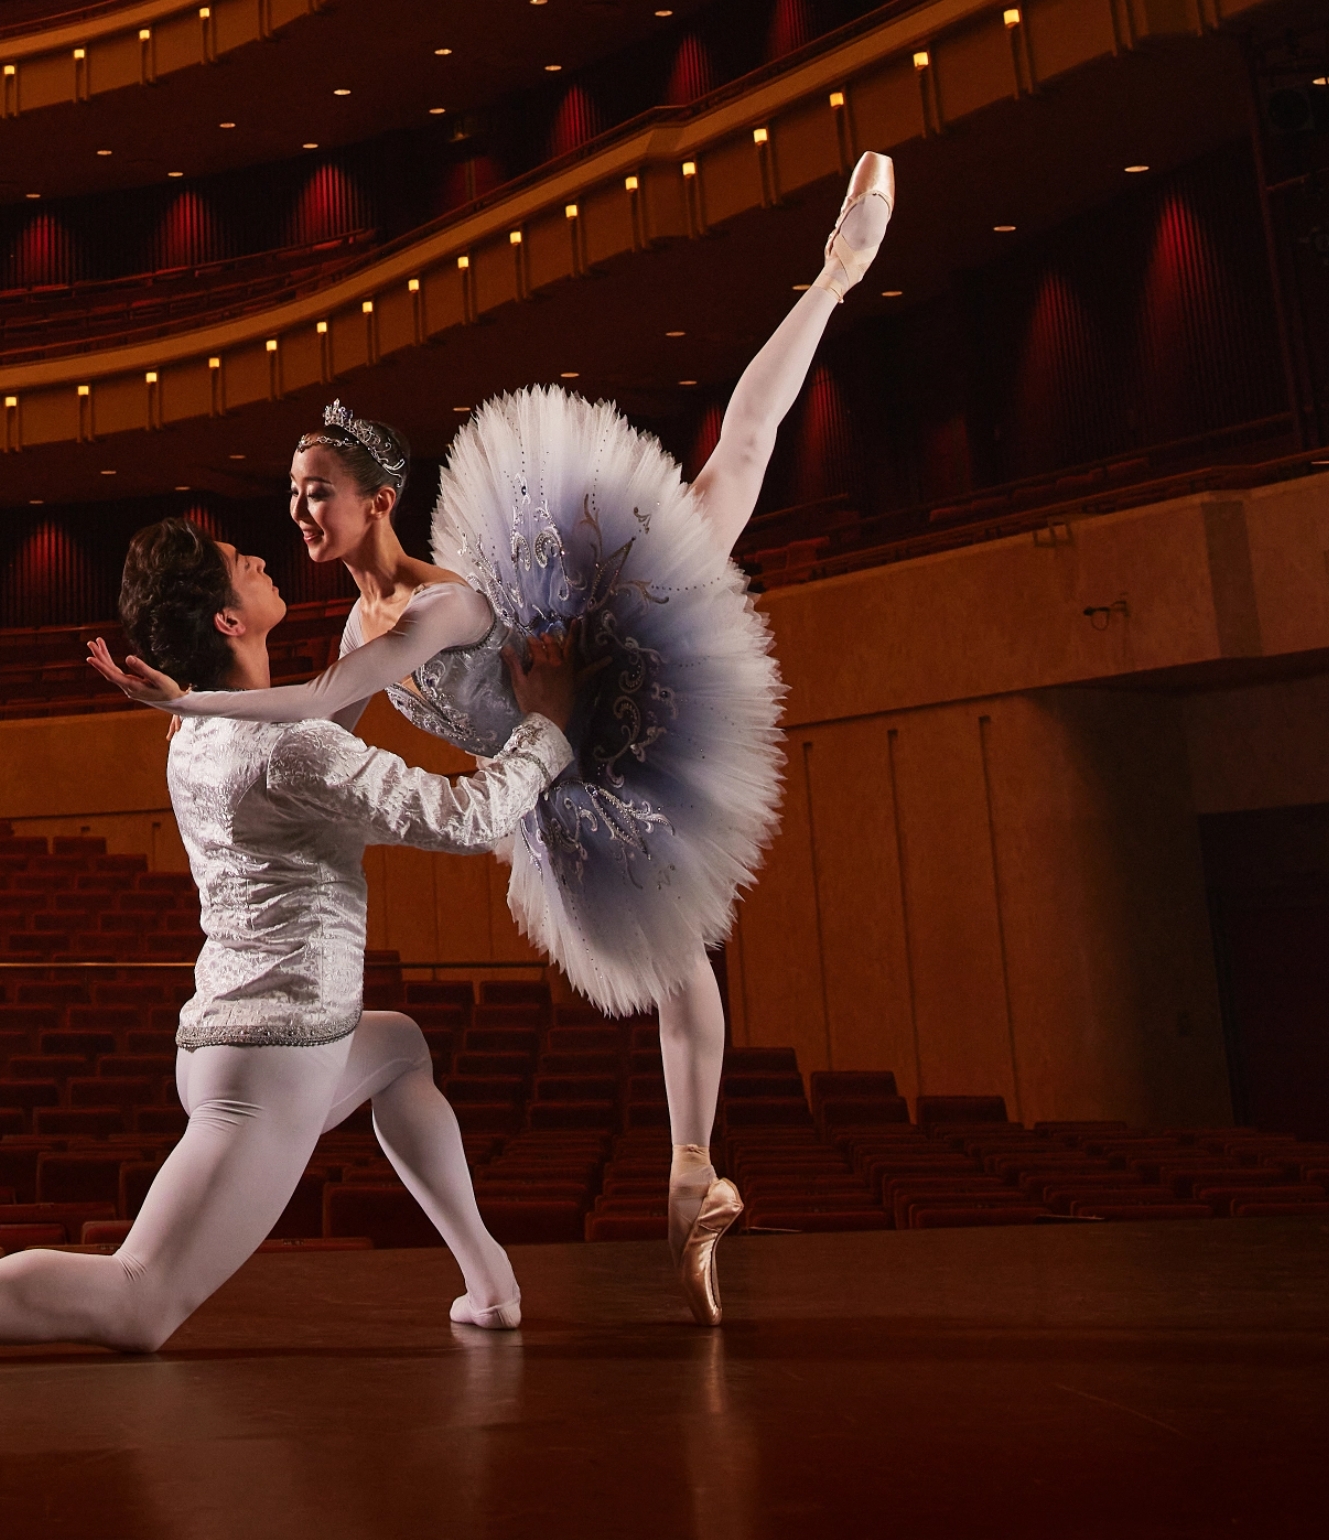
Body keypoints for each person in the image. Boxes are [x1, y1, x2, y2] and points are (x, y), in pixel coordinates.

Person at [83, 152, 897, 1326]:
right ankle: (693, 1175)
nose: (299, 509)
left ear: (378, 502)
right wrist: (204, 721)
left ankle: (835, 273)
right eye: (293, 492)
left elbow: (316, 707)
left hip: (596, 677)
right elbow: (311, 731)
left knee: (734, 466)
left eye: (319, 489)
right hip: (550, 774)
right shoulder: (358, 626)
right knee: (674, 958)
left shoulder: (437, 609)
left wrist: (189, 704)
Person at [0, 522, 579, 1362]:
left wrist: (382, 640)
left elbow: (317, 736)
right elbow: (469, 818)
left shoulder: (196, 729)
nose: (260, 557)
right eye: (241, 561)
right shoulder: (287, 748)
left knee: (401, 1049)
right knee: (140, 1299)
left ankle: (490, 1285)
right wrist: (547, 725)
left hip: (239, 1045)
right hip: (276, 1062)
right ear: (228, 621)